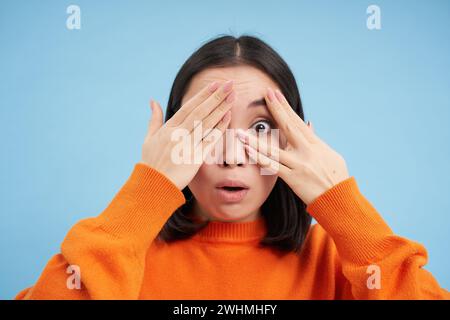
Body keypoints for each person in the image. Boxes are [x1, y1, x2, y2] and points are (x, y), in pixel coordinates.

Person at [15, 35, 449, 299]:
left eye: (260, 126)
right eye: (208, 125)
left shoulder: (341, 264)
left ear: (296, 138)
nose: (232, 154)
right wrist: (146, 192)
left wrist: (342, 204)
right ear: (171, 141)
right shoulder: (120, 256)